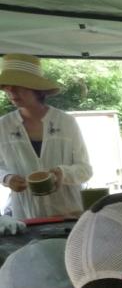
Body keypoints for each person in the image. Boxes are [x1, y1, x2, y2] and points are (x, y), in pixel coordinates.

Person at [0, 54, 92, 219]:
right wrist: (7, 178)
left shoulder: (66, 122)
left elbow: (85, 170)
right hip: (26, 216)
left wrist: (62, 174)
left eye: (18, 85)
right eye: (6, 86)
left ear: (36, 88)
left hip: (69, 214)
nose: (10, 91)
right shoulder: (3, 126)